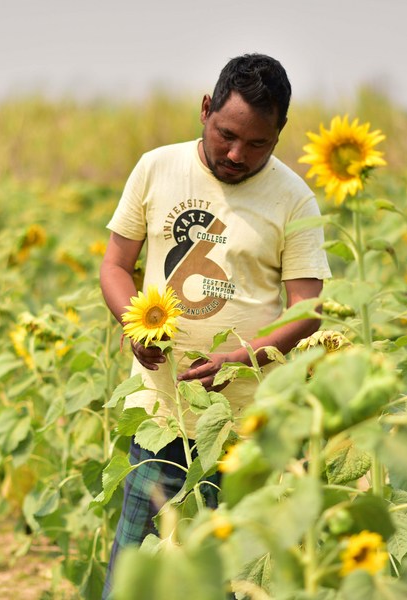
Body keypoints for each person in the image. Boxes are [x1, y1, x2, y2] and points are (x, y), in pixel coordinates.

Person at [98, 53, 331, 597]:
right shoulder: (156, 168)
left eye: (257, 145)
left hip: (248, 431)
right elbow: (115, 264)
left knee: (235, 583)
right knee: (137, 580)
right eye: (227, 134)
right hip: (163, 418)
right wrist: (134, 327)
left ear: (279, 136)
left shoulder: (294, 198)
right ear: (206, 109)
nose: (236, 154)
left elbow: (307, 308)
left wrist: (240, 357)